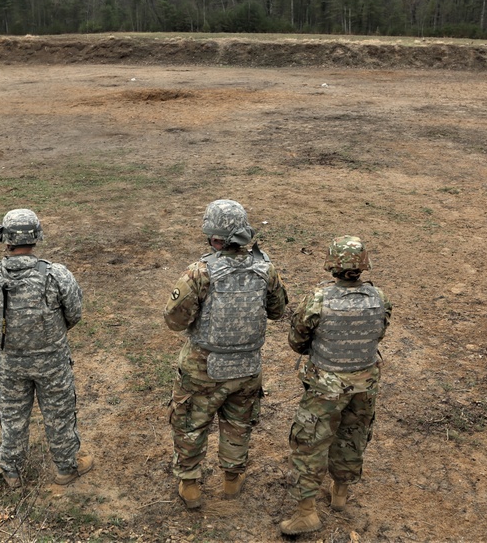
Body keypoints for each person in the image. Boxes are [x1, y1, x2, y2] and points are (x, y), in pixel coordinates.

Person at [164, 199, 288, 509]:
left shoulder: (200, 272)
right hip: (247, 367)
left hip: (203, 368)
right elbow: (278, 310)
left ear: (215, 238)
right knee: (238, 424)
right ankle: (232, 479)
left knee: (191, 422)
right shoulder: (265, 269)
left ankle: (190, 484)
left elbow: (175, 320)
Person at [279, 236, 392, 535]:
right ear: (363, 264)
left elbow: (297, 340)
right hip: (364, 384)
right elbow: (379, 334)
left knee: (310, 443)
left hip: (325, 386)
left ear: (331, 264)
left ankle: (306, 512)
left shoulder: (318, 298)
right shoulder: (379, 297)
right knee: (352, 436)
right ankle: (339, 493)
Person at [0, 209, 93, 488]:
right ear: (36, 237)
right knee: (60, 412)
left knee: (13, 413)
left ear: (6, 239)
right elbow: (74, 313)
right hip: (51, 360)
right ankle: (66, 468)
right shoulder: (56, 274)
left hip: (9, 362)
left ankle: (11, 470)